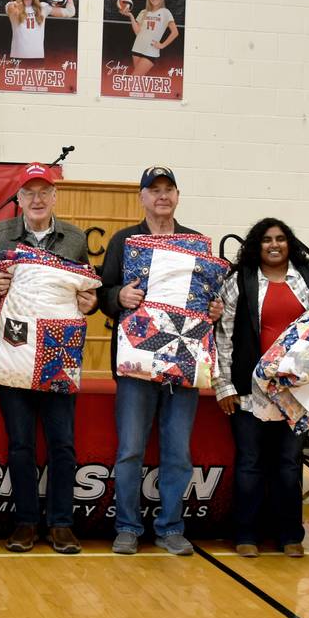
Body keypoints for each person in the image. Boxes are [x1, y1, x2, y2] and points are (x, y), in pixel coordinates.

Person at [96, 165, 220, 556]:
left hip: (183, 359)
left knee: (177, 451)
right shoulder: (124, 240)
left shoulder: (197, 243)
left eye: (169, 189)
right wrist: (119, 298)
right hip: (136, 363)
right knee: (131, 448)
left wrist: (214, 308)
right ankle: (128, 526)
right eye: (154, 190)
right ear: (142, 198)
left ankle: (170, 527)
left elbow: (209, 297)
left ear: (177, 196)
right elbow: (102, 292)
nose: (162, 196)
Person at [0, 162, 94, 554]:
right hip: (14, 351)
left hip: (58, 353)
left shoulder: (75, 239)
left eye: (43, 191)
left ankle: (62, 523)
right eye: (29, 192)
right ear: (18, 198)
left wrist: (90, 301)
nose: (36, 198)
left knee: (62, 443)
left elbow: (88, 292)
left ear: (54, 196)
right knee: (20, 444)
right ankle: (26, 522)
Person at [214, 218, 309, 559]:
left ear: (289, 243)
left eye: (280, 239)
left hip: (296, 391)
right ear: (255, 245)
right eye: (266, 240)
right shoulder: (239, 281)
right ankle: (245, 533)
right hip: (250, 390)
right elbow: (224, 335)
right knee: (250, 462)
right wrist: (224, 384)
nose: (273, 245)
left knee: (289, 462)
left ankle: (289, 534)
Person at [5, 0, 76, 63]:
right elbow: (12, 10)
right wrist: (18, 8)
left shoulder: (43, 7)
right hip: (17, 58)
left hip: (38, 58)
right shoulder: (11, 5)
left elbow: (70, 12)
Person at [121, 0, 179, 76]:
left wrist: (162, 45)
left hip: (151, 51)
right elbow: (137, 32)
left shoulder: (165, 12)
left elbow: (175, 32)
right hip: (137, 48)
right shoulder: (143, 12)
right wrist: (131, 16)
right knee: (139, 80)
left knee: (134, 78)